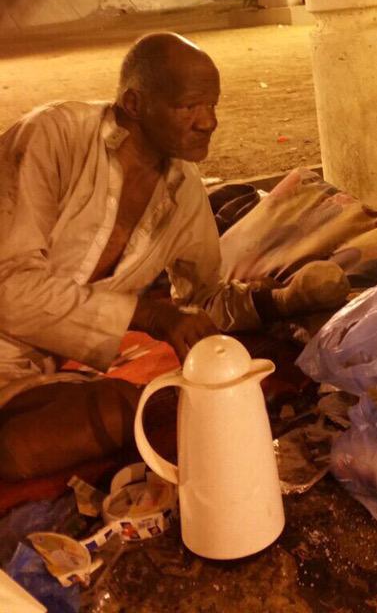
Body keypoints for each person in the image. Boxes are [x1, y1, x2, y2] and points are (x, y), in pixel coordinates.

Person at [0, 33, 348, 479]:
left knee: (122, 412)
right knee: (30, 448)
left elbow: (202, 300)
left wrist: (280, 301)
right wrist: (149, 314)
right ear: (134, 103)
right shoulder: (55, 136)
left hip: (27, 373)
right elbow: (10, 289)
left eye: (212, 105)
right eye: (189, 107)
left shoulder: (184, 191)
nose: (209, 122)